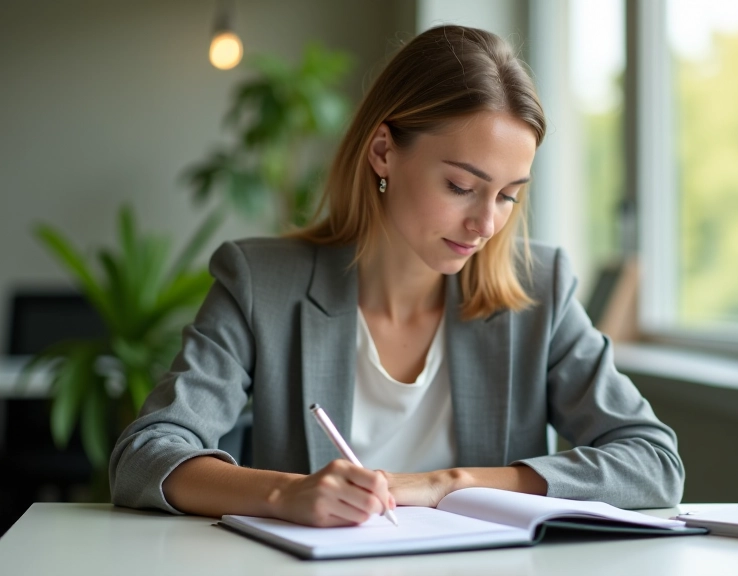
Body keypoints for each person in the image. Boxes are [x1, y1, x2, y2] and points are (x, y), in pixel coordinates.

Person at [109, 25, 684, 527]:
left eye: (508, 195)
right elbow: (145, 455)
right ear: (383, 151)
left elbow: (653, 463)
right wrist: (285, 494)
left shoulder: (540, 289)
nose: (486, 223)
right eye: (460, 186)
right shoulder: (261, 284)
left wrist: (448, 484)